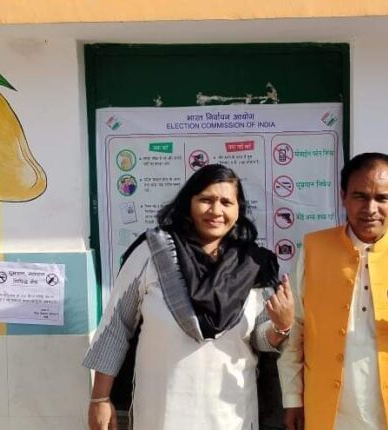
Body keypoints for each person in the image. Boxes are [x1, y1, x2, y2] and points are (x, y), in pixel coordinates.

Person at [84, 164, 294, 430]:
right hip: (161, 413)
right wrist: (100, 398)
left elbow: (259, 340)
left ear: (238, 210)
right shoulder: (152, 253)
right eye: (206, 200)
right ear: (188, 203)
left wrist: (282, 326)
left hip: (232, 415)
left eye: (226, 202)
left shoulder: (253, 264)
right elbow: (117, 326)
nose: (216, 210)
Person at [278, 152, 388, 430]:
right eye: (360, 196)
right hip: (329, 411)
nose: (370, 208)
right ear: (343, 196)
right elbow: (295, 329)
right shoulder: (313, 251)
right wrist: (293, 398)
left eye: (382, 198)